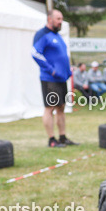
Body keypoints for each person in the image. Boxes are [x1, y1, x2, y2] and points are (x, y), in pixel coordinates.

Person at [32, 9, 78, 147]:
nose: (60, 22)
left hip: (61, 79)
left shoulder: (57, 36)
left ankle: (62, 137)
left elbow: (61, 56)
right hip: (49, 79)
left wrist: (67, 70)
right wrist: (51, 70)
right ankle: (52, 140)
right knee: (50, 107)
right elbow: (35, 53)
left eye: (61, 19)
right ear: (50, 19)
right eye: (58, 19)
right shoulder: (42, 34)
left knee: (61, 107)